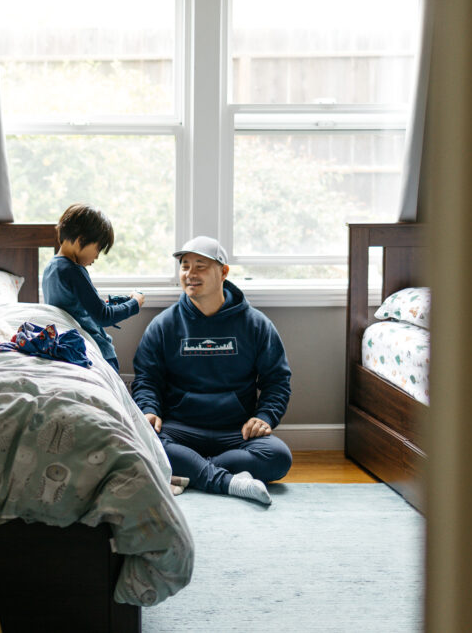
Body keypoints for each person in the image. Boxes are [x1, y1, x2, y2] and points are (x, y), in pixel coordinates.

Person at [132, 236, 292, 505]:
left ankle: (189, 471)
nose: (190, 274)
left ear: (223, 272)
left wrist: (265, 416)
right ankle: (229, 482)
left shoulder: (255, 324)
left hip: (235, 432)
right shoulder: (164, 325)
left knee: (278, 457)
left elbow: (277, 380)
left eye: (200, 266)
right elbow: (147, 378)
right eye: (184, 266)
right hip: (179, 429)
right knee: (141, 443)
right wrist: (149, 410)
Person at [42, 204, 145, 373]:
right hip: (95, 349)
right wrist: (135, 303)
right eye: (98, 249)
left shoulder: (50, 268)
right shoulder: (73, 270)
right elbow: (103, 316)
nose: (97, 256)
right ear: (81, 239)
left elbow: (72, 308)